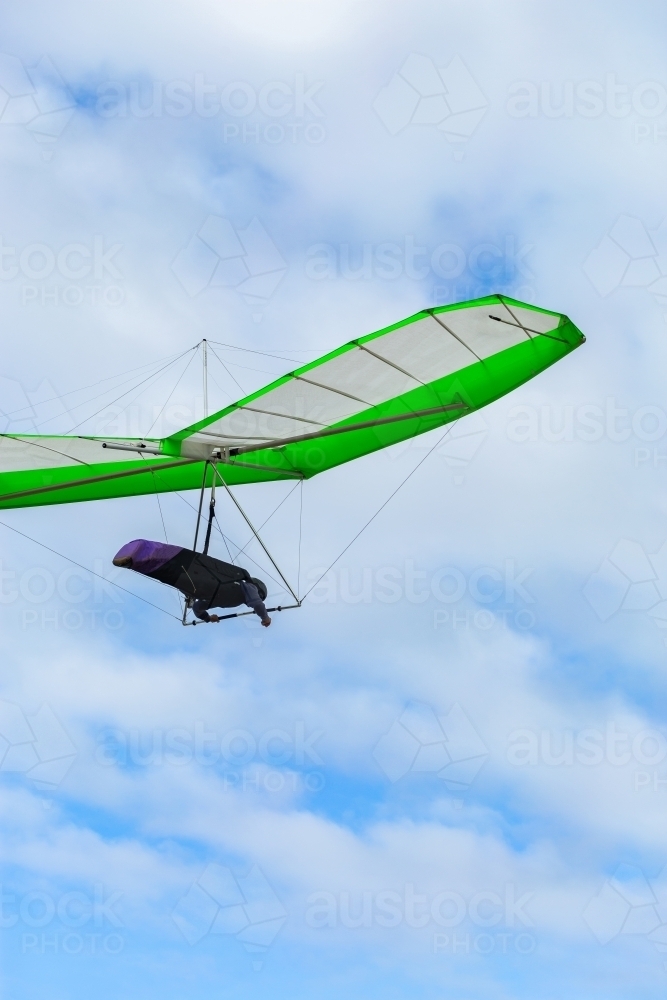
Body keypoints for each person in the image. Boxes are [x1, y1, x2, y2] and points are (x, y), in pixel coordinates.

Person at [112, 539, 271, 626]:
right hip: (192, 573)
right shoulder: (245, 585)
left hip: (190, 574)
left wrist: (208, 618)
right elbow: (257, 603)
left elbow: (197, 607)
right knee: (162, 566)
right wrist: (265, 618)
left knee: (162, 566)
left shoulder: (234, 599)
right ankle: (135, 556)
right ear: (257, 588)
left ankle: (133, 558)